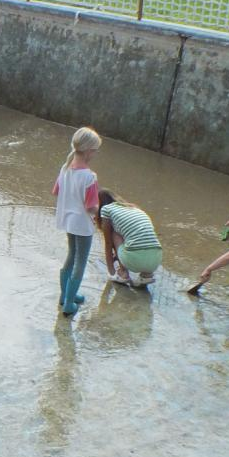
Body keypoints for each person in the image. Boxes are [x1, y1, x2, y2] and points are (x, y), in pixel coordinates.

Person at [52, 127, 101, 316]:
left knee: (71, 256)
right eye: (96, 150)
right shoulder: (90, 177)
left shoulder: (65, 169)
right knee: (80, 263)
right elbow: (91, 207)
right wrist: (100, 212)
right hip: (82, 224)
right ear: (89, 151)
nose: (96, 154)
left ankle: (65, 295)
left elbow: (56, 192)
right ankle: (69, 304)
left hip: (68, 221)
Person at [97, 190, 162, 287]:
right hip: (156, 259)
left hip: (134, 259)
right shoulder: (133, 207)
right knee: (137, 236)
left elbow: (108, 243)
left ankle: (123, 274)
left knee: (114, 234)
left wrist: (111, 272)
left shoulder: (106, 209)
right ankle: (147, 275)